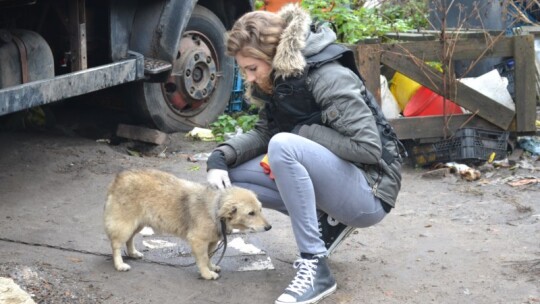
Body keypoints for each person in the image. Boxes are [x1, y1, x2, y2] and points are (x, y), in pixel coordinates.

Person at [206, 4, 402, 304]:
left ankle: (316, 266)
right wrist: (220, 157)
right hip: (338, 182)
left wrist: (302, 133)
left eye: (252, 69)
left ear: (272, 56)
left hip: (370, 191)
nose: (249, 78)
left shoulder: (327, 75)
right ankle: (328, 223)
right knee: (230, 176)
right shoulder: (282, 80)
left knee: (285, 146)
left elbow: (368, 148)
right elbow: (264, 132)